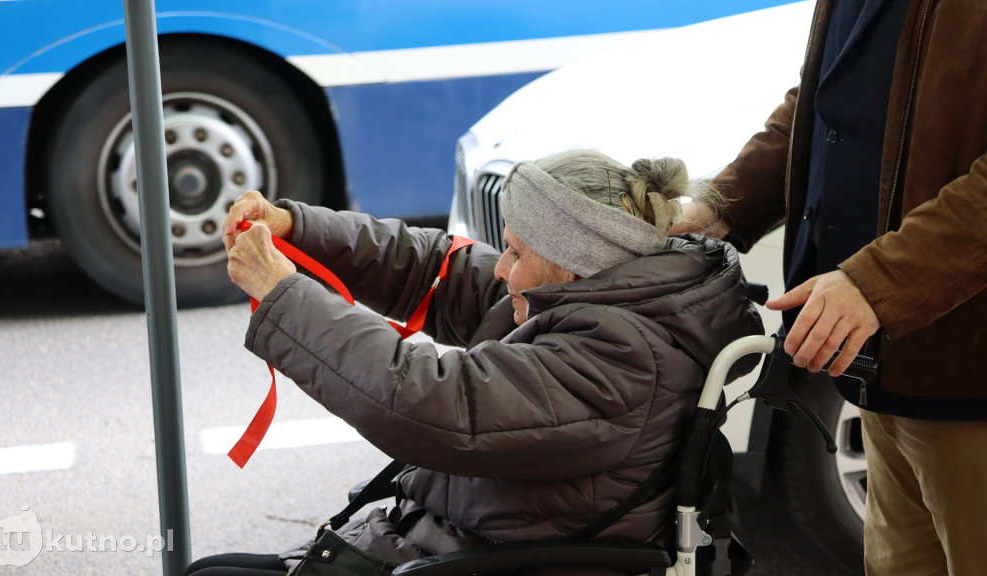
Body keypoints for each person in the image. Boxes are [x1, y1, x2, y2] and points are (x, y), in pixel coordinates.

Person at [185, 149, 763, 576]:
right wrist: (301, 231)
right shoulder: (599, 299)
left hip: (479, 561)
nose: (501, 268)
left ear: (575, 263)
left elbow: (431, 404)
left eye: (516, 251)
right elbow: (435, 268)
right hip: (445, 542)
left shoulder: (622, 357)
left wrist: (285, 294)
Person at [671, 1, 987, 574]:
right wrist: (721, 207)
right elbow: (824, 99)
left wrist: (877, 283)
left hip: (968, 382)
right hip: (888, 374)